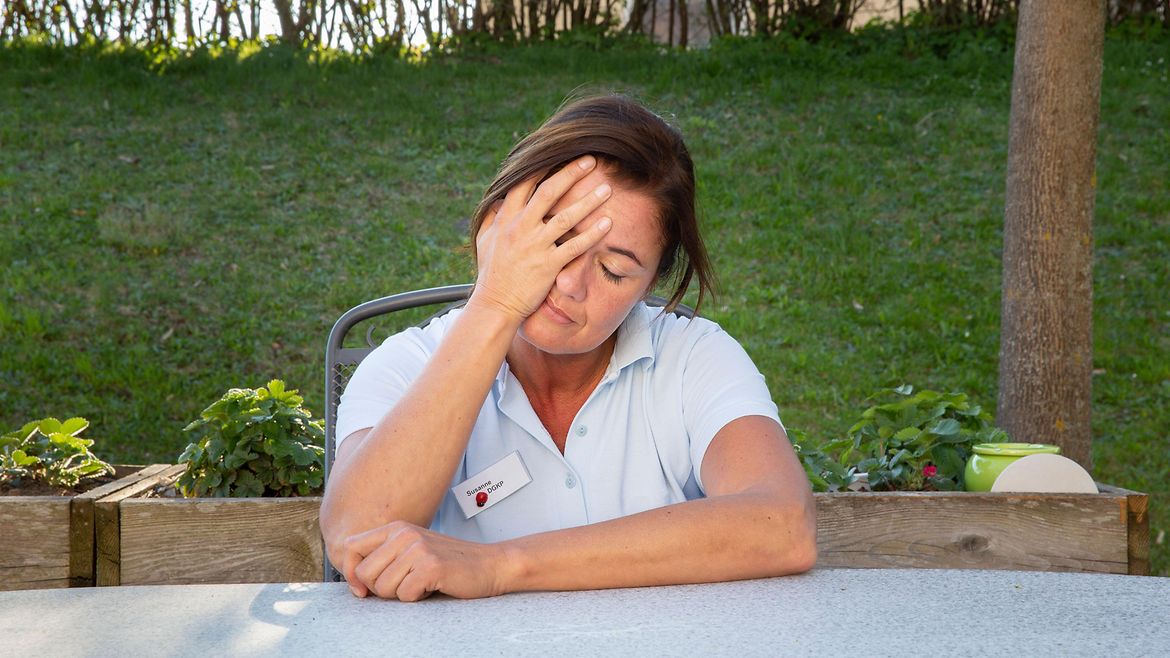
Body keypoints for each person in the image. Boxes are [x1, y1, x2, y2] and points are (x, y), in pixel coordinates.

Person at [320, 94, 816, 601]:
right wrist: (495, 303)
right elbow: (356, 536)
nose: (572, 285)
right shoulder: (406, 366)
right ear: (501, 221)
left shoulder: (693, 357)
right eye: (558, 240)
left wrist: (500, 567)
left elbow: (783, 525)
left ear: (648, 286)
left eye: (614, 271)